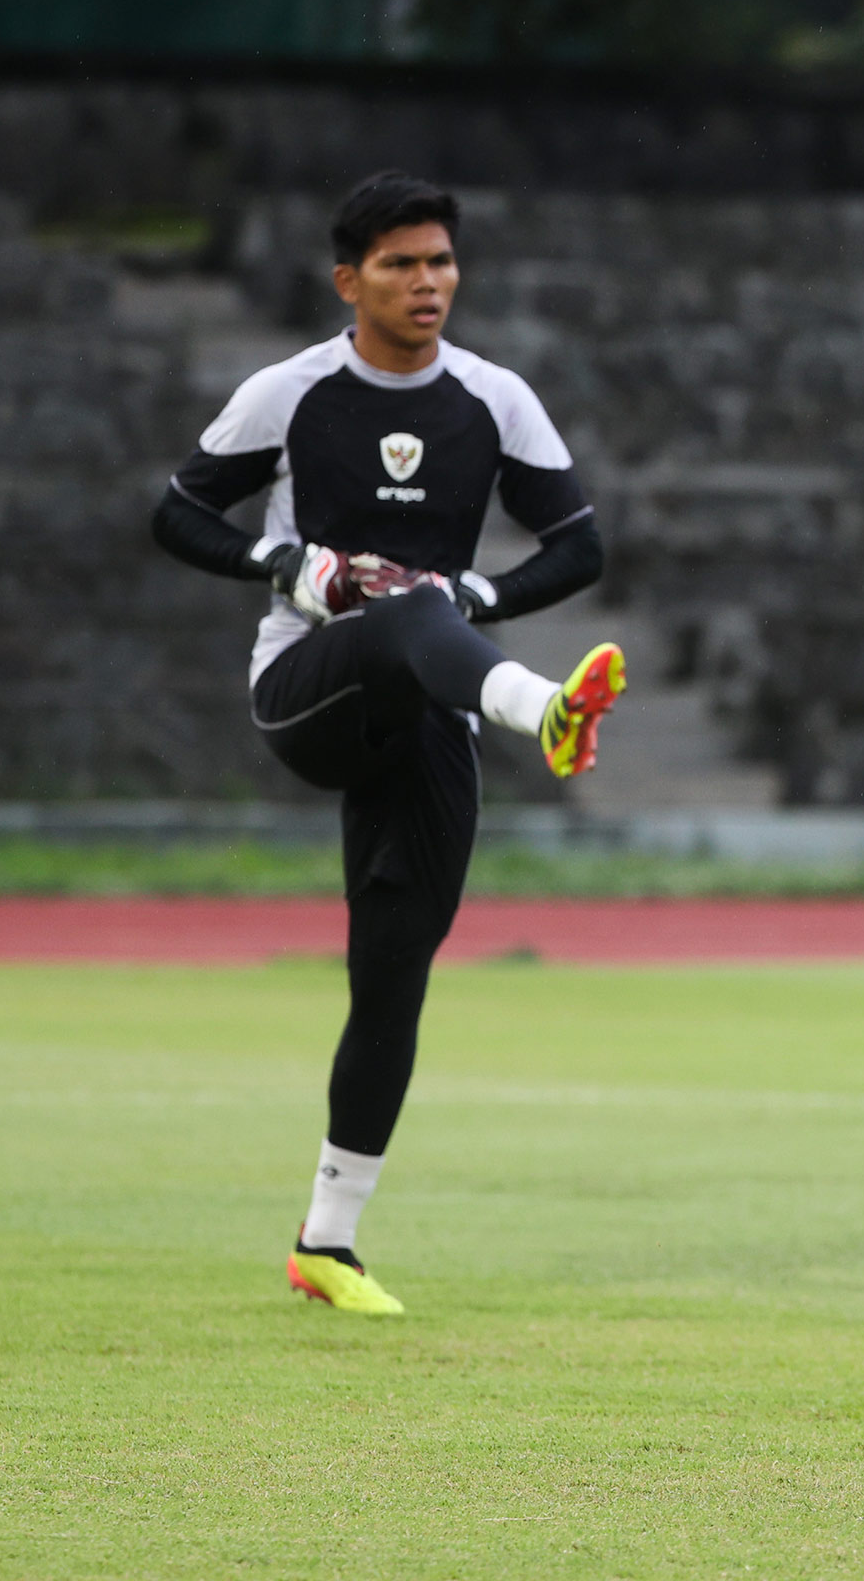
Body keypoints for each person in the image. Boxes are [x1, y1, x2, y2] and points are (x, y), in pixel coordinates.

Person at [150, 170, 627, 1316]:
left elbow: (580, 546)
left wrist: (479, 589)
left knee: (392, 975)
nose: (429, 283)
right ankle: (540, 711)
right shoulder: (292, 392)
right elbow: (175, 512)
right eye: (404, 264)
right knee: (407, 612)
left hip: (431, 709)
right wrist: (284, 566)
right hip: (310, 689)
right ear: (348, 279)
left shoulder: (494, 399)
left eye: (443, 262)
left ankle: (329, 1242)